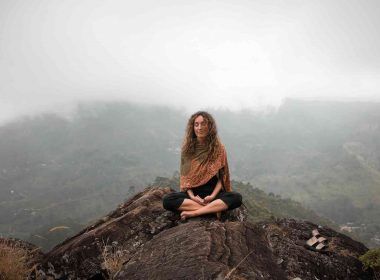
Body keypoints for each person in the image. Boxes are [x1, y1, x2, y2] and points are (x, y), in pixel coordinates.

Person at [162, 111, 242, 220]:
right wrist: (193, 197)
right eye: (196, 124)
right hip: (194, 194)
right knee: (167, 200)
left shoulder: (219, 149)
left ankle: (195, 212)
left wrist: (213, 196)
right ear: (192, 127)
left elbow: (222, 177)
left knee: (236, 198)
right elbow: (185, 179)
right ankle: (213, 210)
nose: (199, 128)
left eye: (203, 124)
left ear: (210, 127)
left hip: (212, 193)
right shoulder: (187, 150)